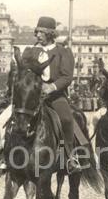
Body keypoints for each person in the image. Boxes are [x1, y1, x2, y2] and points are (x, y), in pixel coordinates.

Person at [28, 16, 80, 173]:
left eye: (41, 33)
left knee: (66, 118)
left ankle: (70, 156)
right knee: (10, 115)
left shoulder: (63, 52)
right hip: (32, 96)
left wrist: (52, 87)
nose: (37, 35)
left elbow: (67, 76)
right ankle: (3, 152)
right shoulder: (31, 52)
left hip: (55, 96)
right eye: (36, 32)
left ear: (50, 34)